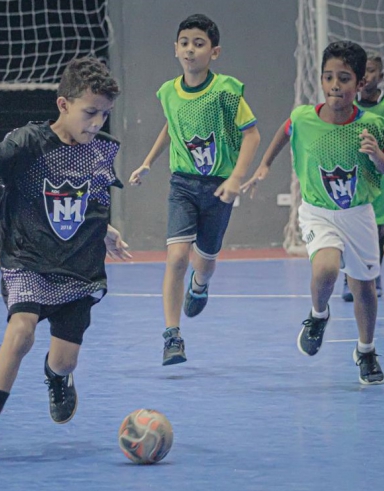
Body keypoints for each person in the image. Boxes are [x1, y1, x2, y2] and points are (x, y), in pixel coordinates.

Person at [0, 57, 132, 464]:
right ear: (63, 105)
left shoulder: (100, 152)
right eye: (89, 112)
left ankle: (57, 377)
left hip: (79, 265)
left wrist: (106, 231)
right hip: (27, 257)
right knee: (20, 331)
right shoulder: (31, 142)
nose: (96, 122)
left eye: (104, 114)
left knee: (64, 359)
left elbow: (91, 201)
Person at [242, 41, 384, 385]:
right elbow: (284, 133)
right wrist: (264, 166)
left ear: (359, 84)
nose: (335, 85)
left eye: (343, 78)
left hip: (358, 214)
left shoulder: (374, 124)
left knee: (364, 288)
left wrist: (376, 155)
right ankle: (317, 314)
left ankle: (366, 351)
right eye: (328, 77)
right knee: (325, 269)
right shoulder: (303, 117)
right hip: (318, 212)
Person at [128, 14, 260, 366]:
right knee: (176, 257)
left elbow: (252, 135)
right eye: (184, 42)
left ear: (213, 52)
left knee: (205, 261)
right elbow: (170, 129)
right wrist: (147, 162)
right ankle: (172, 336)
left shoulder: (227, 91)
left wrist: (236, 179)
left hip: (219, 187)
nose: (190, 49)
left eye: (199, 43)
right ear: (175, 48)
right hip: (183, 184)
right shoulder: (169, 92)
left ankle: (200, 285)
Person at [341, 50, 384, 302]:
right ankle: (348, 280)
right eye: (362, 71)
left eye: (370, 71)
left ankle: (373, 275)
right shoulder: (346, 103)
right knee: (348, 230)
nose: (366, 76)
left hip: (378, 174)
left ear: (381, 75)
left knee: (377, 230)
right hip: (351, 175)